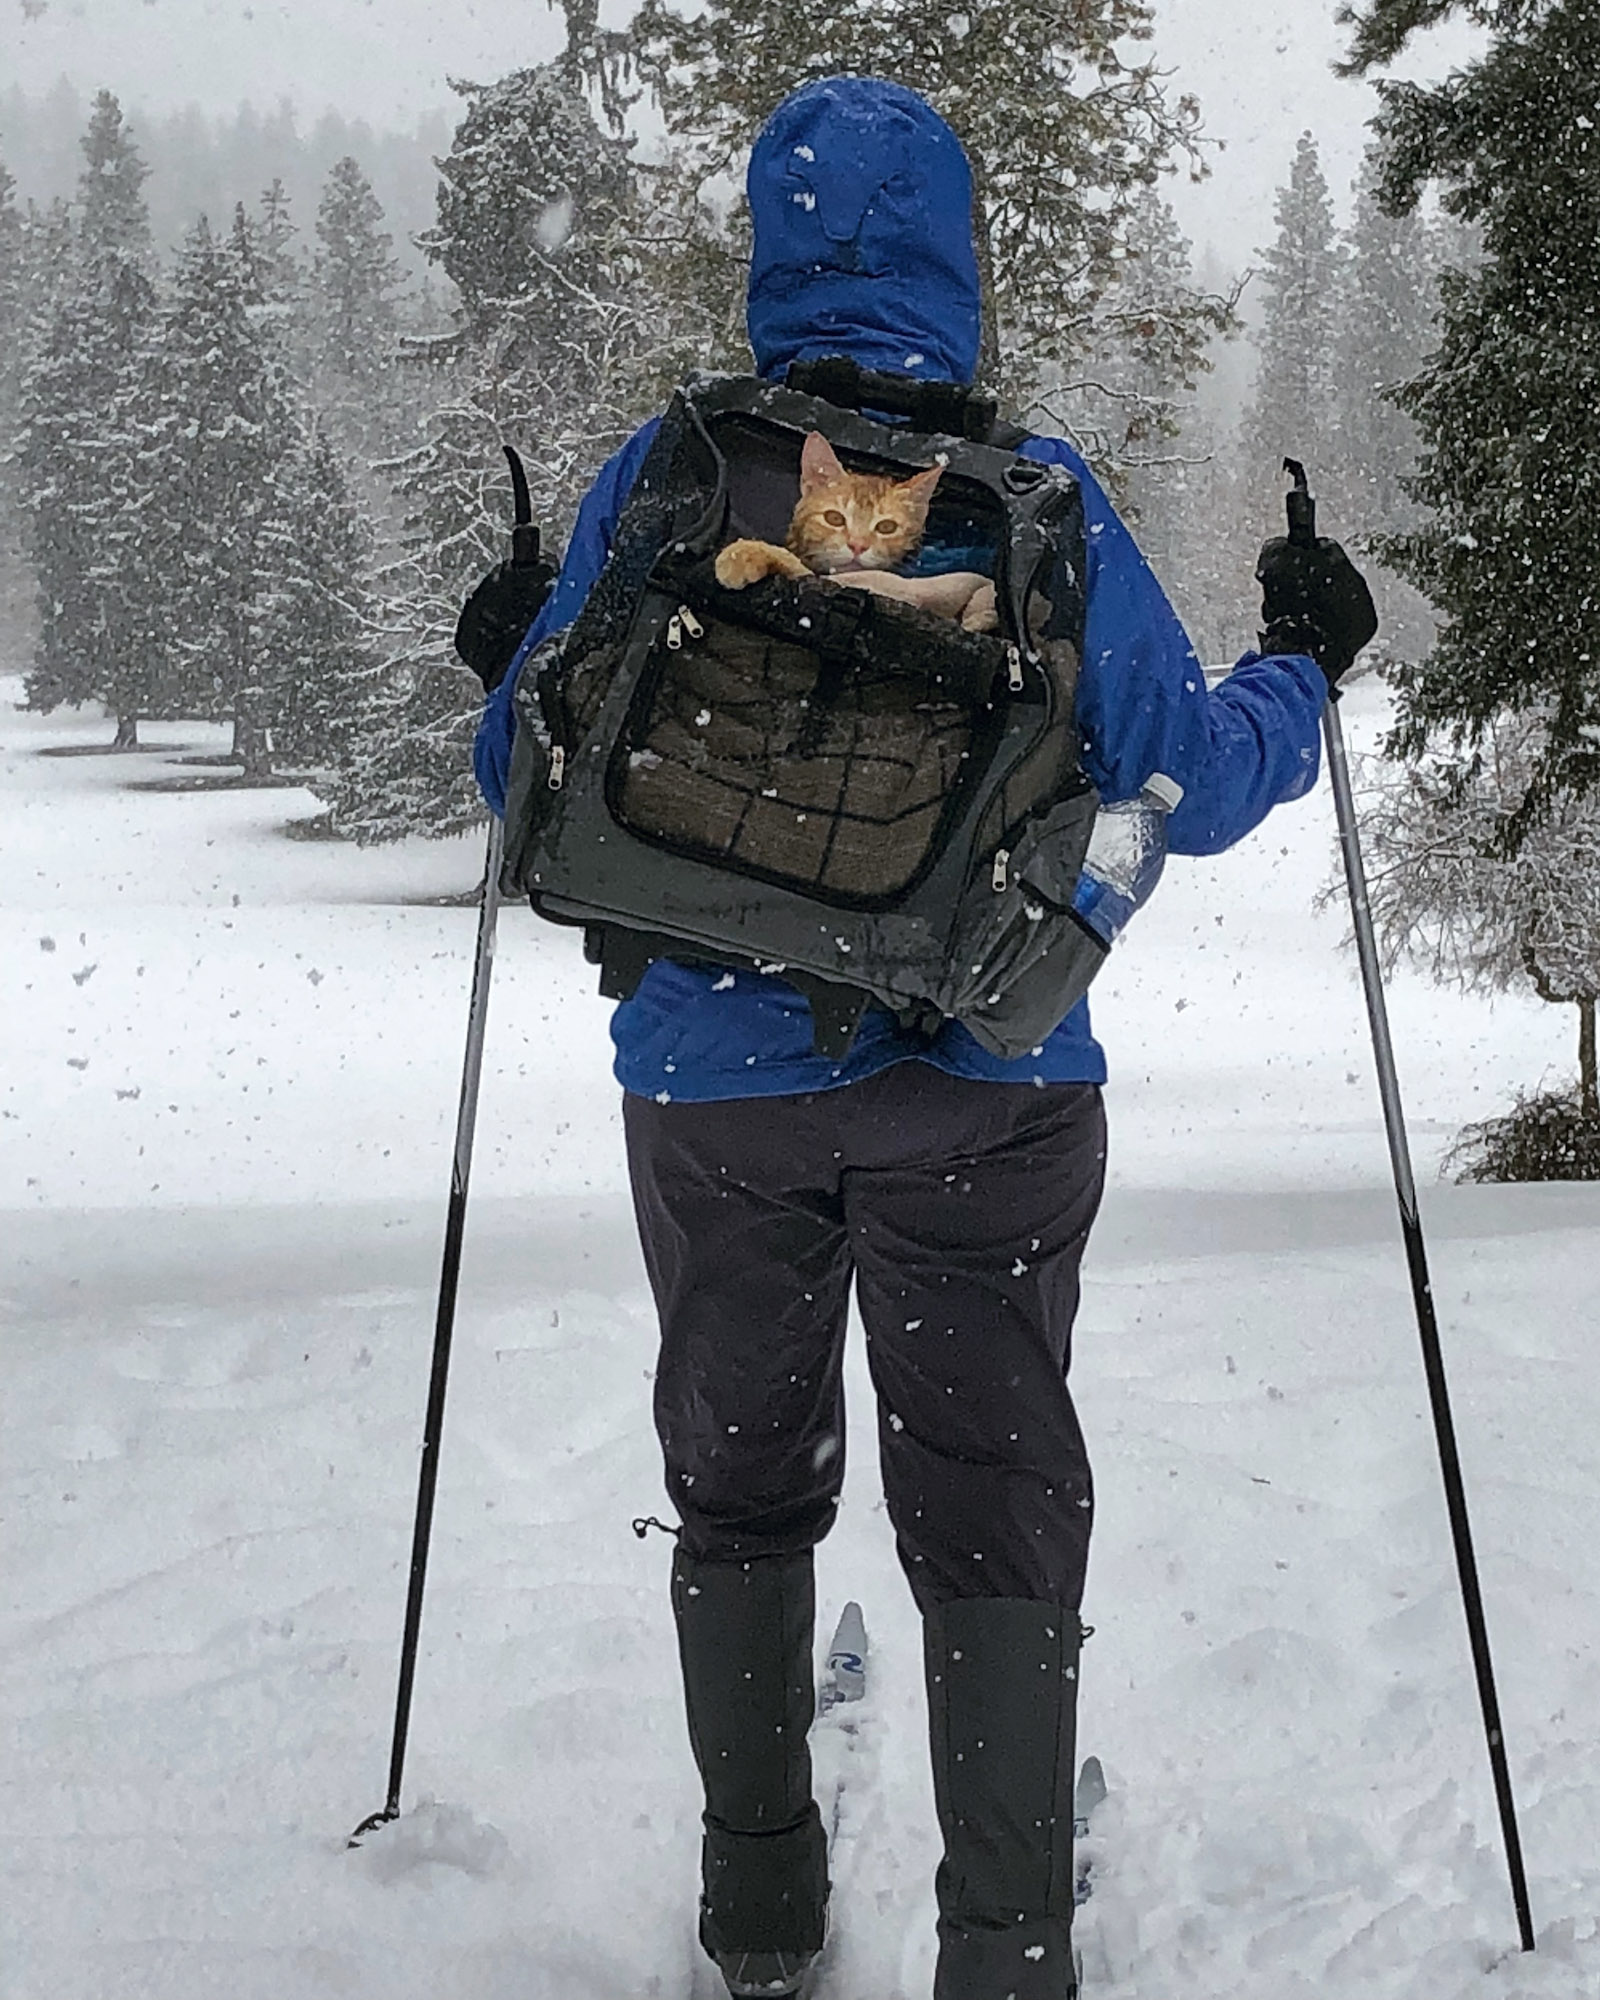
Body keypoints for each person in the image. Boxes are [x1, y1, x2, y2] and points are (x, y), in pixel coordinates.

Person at [467, 75, 1375, 2000]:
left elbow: (521, 766)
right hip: (988, 1092)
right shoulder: (1032, 502)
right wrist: (1305, 659)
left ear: (771, 252)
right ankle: (1008, 1944)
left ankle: (765, 1911)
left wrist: (510, 645)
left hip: (711, 1099)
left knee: (737, 1468)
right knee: (989, 1485)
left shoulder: (675, 470)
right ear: (962, 268)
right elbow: (1187, 786)